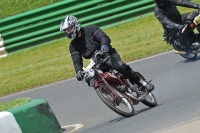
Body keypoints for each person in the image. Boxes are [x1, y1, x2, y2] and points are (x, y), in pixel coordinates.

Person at [60, 16, 154, 92]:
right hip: (96, 62)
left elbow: (103, 37)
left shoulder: (91, 29)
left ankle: (143, 83)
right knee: (91, 78)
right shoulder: (73, 46)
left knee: (119, 67)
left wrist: (104, 45)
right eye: (66, 31)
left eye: (69, 29)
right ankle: (111, 93)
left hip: (108, 54)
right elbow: (76, 60)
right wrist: (78, 71)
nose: (68, 32)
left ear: (75, 25)